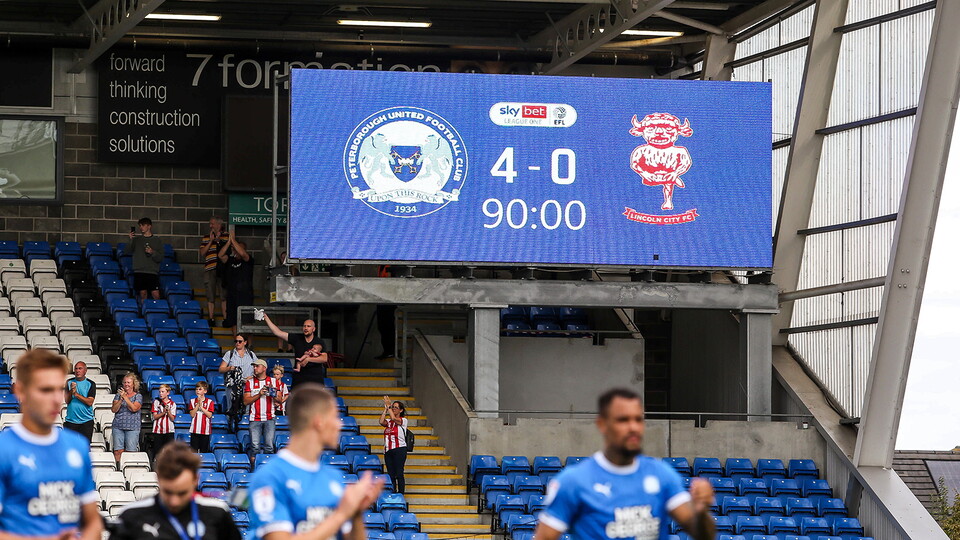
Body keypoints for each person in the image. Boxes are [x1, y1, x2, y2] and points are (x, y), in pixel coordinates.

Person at [534, 388, 716, 540]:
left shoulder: (661, 474)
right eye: (623, 420)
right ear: (602, 424)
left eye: (638, 419)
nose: (633, 427)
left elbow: (703, 534)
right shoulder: (574, 482)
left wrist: (701, 512)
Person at [248, 383, 383, 540]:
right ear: (319, 421)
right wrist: (341, 515)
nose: (340, 424)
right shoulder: (270, 477)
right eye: (334, 417)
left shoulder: (334, 477)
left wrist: (356, 512)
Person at [0, 349, 103, 538]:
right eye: (46, 390)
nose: (57, 399)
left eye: (59, 389)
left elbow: (93, 521)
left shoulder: (77, 446)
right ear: (20, 391)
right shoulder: (4, 450)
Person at [112, 441, 242, 540]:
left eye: (182, 493)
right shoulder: (133, 515)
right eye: (168, 492)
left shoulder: (217, 512)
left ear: (195, 480)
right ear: (158, 479)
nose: (174, 501)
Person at [262, 314, 324, 387]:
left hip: (315, 380)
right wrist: (266, 318)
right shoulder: (297, 339)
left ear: (313, 329)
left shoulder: (319, 342)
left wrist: (308, 359)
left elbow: (324, 358)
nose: (306, 328)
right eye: (304, 326)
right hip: (299, 380)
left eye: (308, 326)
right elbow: (278, 332)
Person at [243, 359, 287, 460]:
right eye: (254, 366)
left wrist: (271, 392)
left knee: (269, 447)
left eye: (257, 366)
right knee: (254, 448)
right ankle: (254, 471)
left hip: (269, 418)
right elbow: (246, 401)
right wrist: (259, 394)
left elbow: (280, 400)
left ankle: (267, 471)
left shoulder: (274, 382)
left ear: (264, 368)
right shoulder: (250, 382)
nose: (254, 368)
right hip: (254, 418)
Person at [219, 229, 254, 335]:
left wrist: (233, 240)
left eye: (237, 248)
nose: (235, 251)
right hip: (232, 294)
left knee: (246, 321)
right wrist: (229, 242)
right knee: (233, 320)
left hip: (245, 295)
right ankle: (237, 341)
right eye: (234, 249)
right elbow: (220, 255)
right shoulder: (230, 260)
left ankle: (249, 344)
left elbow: (243, 254)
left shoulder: (248, 260)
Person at [219, 333, 258, 423]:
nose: (237, 343)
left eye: (240, 341)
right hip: (233, 385)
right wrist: (229, 368)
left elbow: (258, 368)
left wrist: (252, 376)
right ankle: (230, 426)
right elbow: (221, 369)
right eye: (236, 341)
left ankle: (244, 425)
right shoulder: (230, 354)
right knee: (231, 408)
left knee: (247, 408)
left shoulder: (251, 355)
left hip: (247, 385)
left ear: (245, 342)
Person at [124, 217, 164, 300]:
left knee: (156, 294)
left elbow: (160, 257)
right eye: (140, 226)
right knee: (143, 293)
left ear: (149, 226)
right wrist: (131, 239)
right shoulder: (137, 239)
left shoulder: (157, 240)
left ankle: (157, 311)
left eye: (143, 225)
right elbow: (127, 251)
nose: (141, 227)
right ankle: (144, 311)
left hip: (152, 271)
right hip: (140, 271)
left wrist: (152, 252)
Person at [199, 216, 229, 325]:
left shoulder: (226, 236)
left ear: (219, 225)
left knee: (223, 295)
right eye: (210, 224)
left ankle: (226, 318)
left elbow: (228, 250)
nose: (210, 226)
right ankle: (211, 318)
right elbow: (202, 253)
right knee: (210, 295)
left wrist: (218, 240)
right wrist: (211, 241)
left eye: (212, 224)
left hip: (223, 269)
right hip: (210, 268)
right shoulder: (206, 237)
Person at [112, 372, 144, 464]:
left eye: (128, 382)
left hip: (132, 427)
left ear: (133, 384)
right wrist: (121, 399)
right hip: (118, 426)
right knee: (118, 450)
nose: (126, 384)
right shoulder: (118, 395)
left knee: (130, 451)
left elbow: (134, 408)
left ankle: (129, 470)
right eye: (125, 382)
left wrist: (125, 398)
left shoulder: (138, 396)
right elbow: (114, 409)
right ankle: (119, 469)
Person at [379, 396, 408, 494]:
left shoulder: (403, 420)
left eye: (396, 407)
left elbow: (393, 418)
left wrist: (389, 407)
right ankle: (393, 492)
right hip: (388, 450)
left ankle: (401, 493)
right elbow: (381, 421)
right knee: (391, 473)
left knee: (399, 473)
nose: (394, 409)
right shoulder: (389, 422)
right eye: (393, 407)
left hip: (399, 449)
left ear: (401, 410)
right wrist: (386, 409)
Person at [63, 360, 96, 441]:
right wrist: (71, 391)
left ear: (85, 370)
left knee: (85, 447)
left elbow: (90, 402)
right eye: (76, 368)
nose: (77, 371)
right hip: (71, 421)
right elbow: (67, 400)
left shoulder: (91, 384)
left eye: (80, 368)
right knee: (69, 448)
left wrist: (76, 394)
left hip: (86, 421)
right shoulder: (69, 382)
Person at [151, 384, 177, 462]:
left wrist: (168, 411)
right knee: (158, 451)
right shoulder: (156, 402)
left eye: (163, 392)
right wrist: (163, 413)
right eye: (160, 392)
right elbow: (154, 417)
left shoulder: (172, 404)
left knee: (169, 451)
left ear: (168, 393)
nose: (160, 394)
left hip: (169, 430)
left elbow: (172, 418)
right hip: (158, 430)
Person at [189, 381, 216, 454]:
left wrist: (202, 407)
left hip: (205, 430)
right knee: (193, 452)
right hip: (194, 430)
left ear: (205, 391)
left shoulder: (210, 402)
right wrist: (197, 405)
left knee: (204, 452)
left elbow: (209, 415)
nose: (197, 391)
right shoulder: (192, 401)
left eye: (200, 389)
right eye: (197, 389)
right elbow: (192, 414)